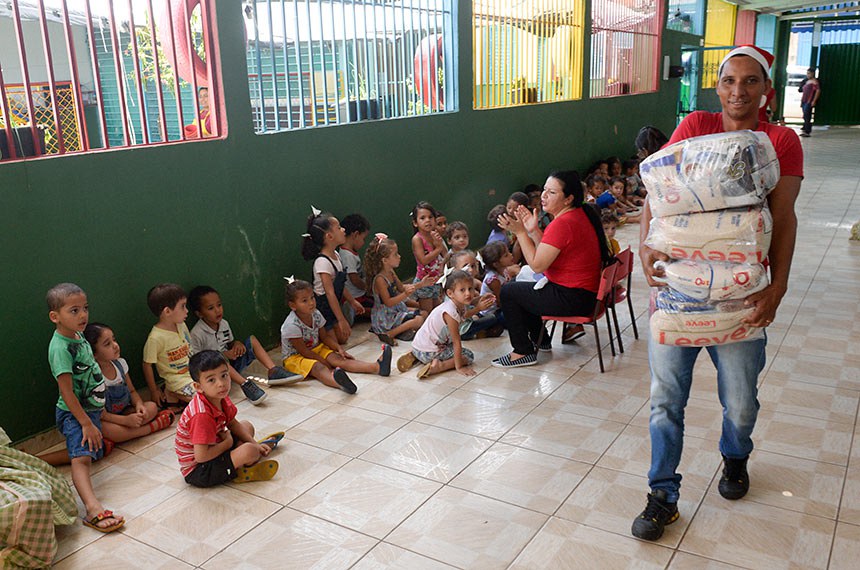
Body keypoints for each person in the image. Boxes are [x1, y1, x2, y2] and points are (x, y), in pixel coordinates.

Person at [631, 45, 803, 542]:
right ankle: (662, 494)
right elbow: (658, 197)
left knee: (741, 401)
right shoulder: (696, 127)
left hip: (741, 294)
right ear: (718, 85)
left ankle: (735, 454)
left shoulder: (779, 141)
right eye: (729, 80)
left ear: (766, 90)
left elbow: (784, 218)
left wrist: (779, 287)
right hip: (677, 293)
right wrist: (645, 248)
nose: (738, 91)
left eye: (750, 82)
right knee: (665, 400)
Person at [491, 170, 613, 368]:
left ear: (568, 199)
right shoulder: (580, 213)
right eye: (544, 190)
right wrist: (532, 231)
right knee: (522, 287)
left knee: (509, 291)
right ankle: (542, 340)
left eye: (552, 192)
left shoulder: (563, 223)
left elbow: (538, 264)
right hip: (585, 296)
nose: (544, 196)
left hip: (574, 299)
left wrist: (521, 232)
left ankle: (522, 352)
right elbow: (547, 253)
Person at [44, 283, 123, 533]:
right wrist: (86, 423)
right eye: (74, 310)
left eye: (85, 308)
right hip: (75, 413)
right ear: (55, 317)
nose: (83, 315)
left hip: (90, 410)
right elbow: (67, 392)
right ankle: (92, 509)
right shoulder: (60, 348)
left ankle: (37, 461)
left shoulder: (78, 336)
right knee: (81, 460)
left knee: (88, 450)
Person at [174, 350, 280, 487]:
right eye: (211, 380)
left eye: (224, 375)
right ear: (198, 387)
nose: (221, 384)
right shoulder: (201, 415)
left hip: (214, 447)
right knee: (249, 451)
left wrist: (255, 443)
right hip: (199, 470)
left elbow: (233, 423)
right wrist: (228, 443)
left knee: (247, 426)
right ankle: (243, 465)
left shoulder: (219, 397)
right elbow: (201, 457)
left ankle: (244, 456)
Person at [280, 279, 392, 394]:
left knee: (339, 359)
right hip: (296, 358)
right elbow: (304, 352)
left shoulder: (316, 314)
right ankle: (338, 382)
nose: (311, 303)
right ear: (293, 305)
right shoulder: (291, 325)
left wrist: (338, 348)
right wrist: (325, 362)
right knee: (318, 367)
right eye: (304, 301)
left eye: (312, 298)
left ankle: (377, 367)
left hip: (315, 349)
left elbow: (325, 337)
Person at [188, 285, 298, 402]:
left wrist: (237, 344)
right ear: (199, 314)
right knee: (220, 359)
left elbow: (230, 343)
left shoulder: (223, 323)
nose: (217, 310)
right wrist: (224, 355)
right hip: (215, 373)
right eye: (210, 308)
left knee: (252, 340)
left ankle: (274, 370)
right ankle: (245, 384)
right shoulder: (197, 333)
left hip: (231, 365)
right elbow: (197, 362)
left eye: (219, 305)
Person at [84, 323, 174, 444]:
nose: (115, 346)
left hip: (126, 410)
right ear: (93, 354)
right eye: (107, 344)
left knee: (151, 407)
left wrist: (139, 405)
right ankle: (150, 428)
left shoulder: (120, 364)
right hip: (109, 419)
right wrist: (125, 421)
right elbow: (102, 415)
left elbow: (131, 391)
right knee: (105, 429)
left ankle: (128, 432)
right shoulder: (93, 377)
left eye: (114, 340)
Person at [396, 269, 477, 379]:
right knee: (468, 355)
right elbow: (457, 341)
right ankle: (439, 365)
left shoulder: (453, 305)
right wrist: (459, 367)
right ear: (450, 293)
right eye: (462, 290)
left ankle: (416, 355)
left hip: (418, 345)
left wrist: (480, 306)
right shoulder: (451, 312)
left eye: (470, 289)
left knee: (450, 347)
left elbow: (464, 316)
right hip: (429, 352)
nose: (468, 293)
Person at [302, 211, 365, 344]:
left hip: (333, 305)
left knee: (343, 338)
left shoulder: (336, 255)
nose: (343, 230)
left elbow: (340, 285)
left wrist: (352, 301)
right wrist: (341, 320)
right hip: (323, 308)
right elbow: (330, 294)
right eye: (339, 228)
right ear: (329, 236)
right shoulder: (322, 262)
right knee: (334, 343)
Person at [364, 233, 426, 345]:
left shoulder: (391, 272)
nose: (399, 256)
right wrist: (405, 295)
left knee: (424, 313)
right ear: (385, 260)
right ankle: (390, 334)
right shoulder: (380, 279)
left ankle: (404, 330)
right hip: (386, 316)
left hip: (395, 310)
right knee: (419, 320)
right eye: (396, 254)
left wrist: (421, 284)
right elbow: (388, 302)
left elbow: (402, 288)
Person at [142, 283, 195, 409]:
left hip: (194, 370)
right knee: (201, 397)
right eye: (182, 307)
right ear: (167, 311)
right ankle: (171, 393)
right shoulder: (155, 338)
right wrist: (154, 390)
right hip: (176, 379)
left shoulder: (181, 325)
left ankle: (176, 398)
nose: (187, 311)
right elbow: (147, 364)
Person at [410, 201, 446, 313]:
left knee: (437, 310)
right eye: (422, 218)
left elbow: (446, 255)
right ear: (415, 223)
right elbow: (423, 260)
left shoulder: (435, 235)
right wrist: (438, 248)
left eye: (430, 217)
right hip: (424, 281)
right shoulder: (417, 239)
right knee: (427, 312)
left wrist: (439, 244)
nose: (427, 220)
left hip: (435, 280)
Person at [340, 213, 373, 323]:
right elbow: (354, 279)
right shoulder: (347, 255)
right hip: (355, 297)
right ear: (355, 234)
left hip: (360, 295)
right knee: (377, 311)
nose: (364, 242)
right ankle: (353, 312)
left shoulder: (350, 253)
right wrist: (367, 288)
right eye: (363, 238)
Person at [799, 67, 821, 137]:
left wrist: (814, 101)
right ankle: (805, 127)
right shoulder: (806, 81)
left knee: (807, 115)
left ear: (813, 74)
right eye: (807, 73)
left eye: (809, 73)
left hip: (809, 101)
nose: (808, 75)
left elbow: (818, 91)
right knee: (805, 115)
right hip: (804, 100)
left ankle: (807, 130)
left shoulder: (815, 82)